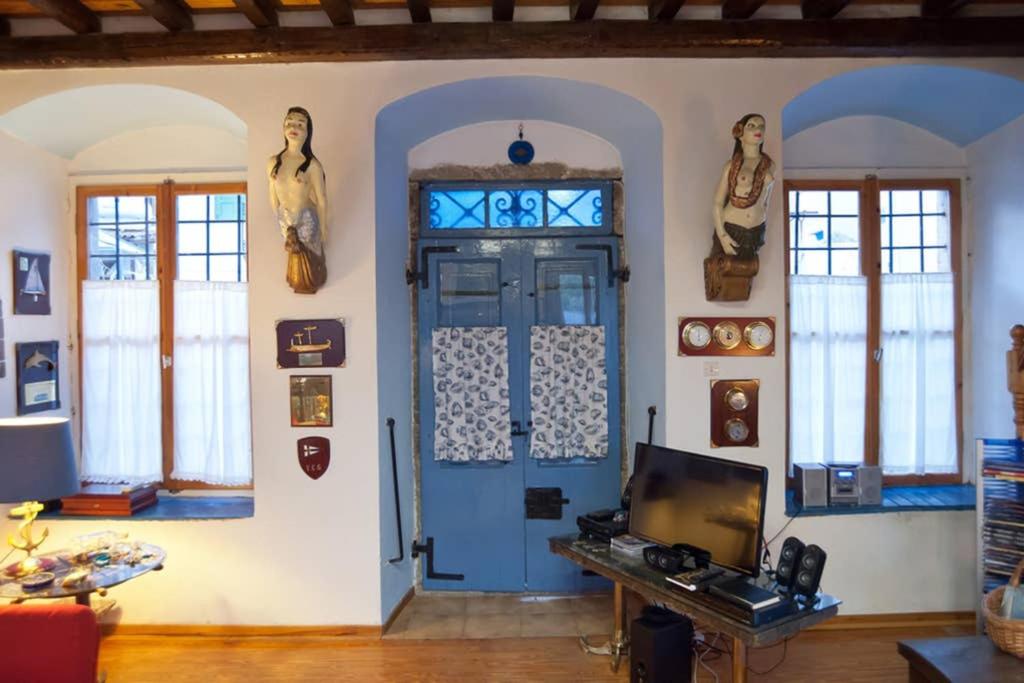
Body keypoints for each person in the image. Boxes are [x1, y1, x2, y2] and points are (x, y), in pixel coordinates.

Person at [267, 107, 328, 294]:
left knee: (309, 263)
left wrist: (324, 228)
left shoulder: (312, 165)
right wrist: (279, 218)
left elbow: (321, 200)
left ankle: (311, 280)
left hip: (306, 220)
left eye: (300, 124)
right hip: (286, 221)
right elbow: (273, 195)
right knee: (294, 261)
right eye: (290, 123)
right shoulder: (273, 162)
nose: (294, 128)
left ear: (308, 131)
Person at [710, 113, 775, 259]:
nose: (758, 129)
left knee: (749, 269)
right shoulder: (732, 166)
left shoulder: (770, 165)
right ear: (741, 134)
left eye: (761, 126)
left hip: (756, 231)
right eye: (751, 126)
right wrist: (722, 235)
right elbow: (717, 202)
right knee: (731, 268)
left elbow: (766, 201)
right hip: (733, 228)